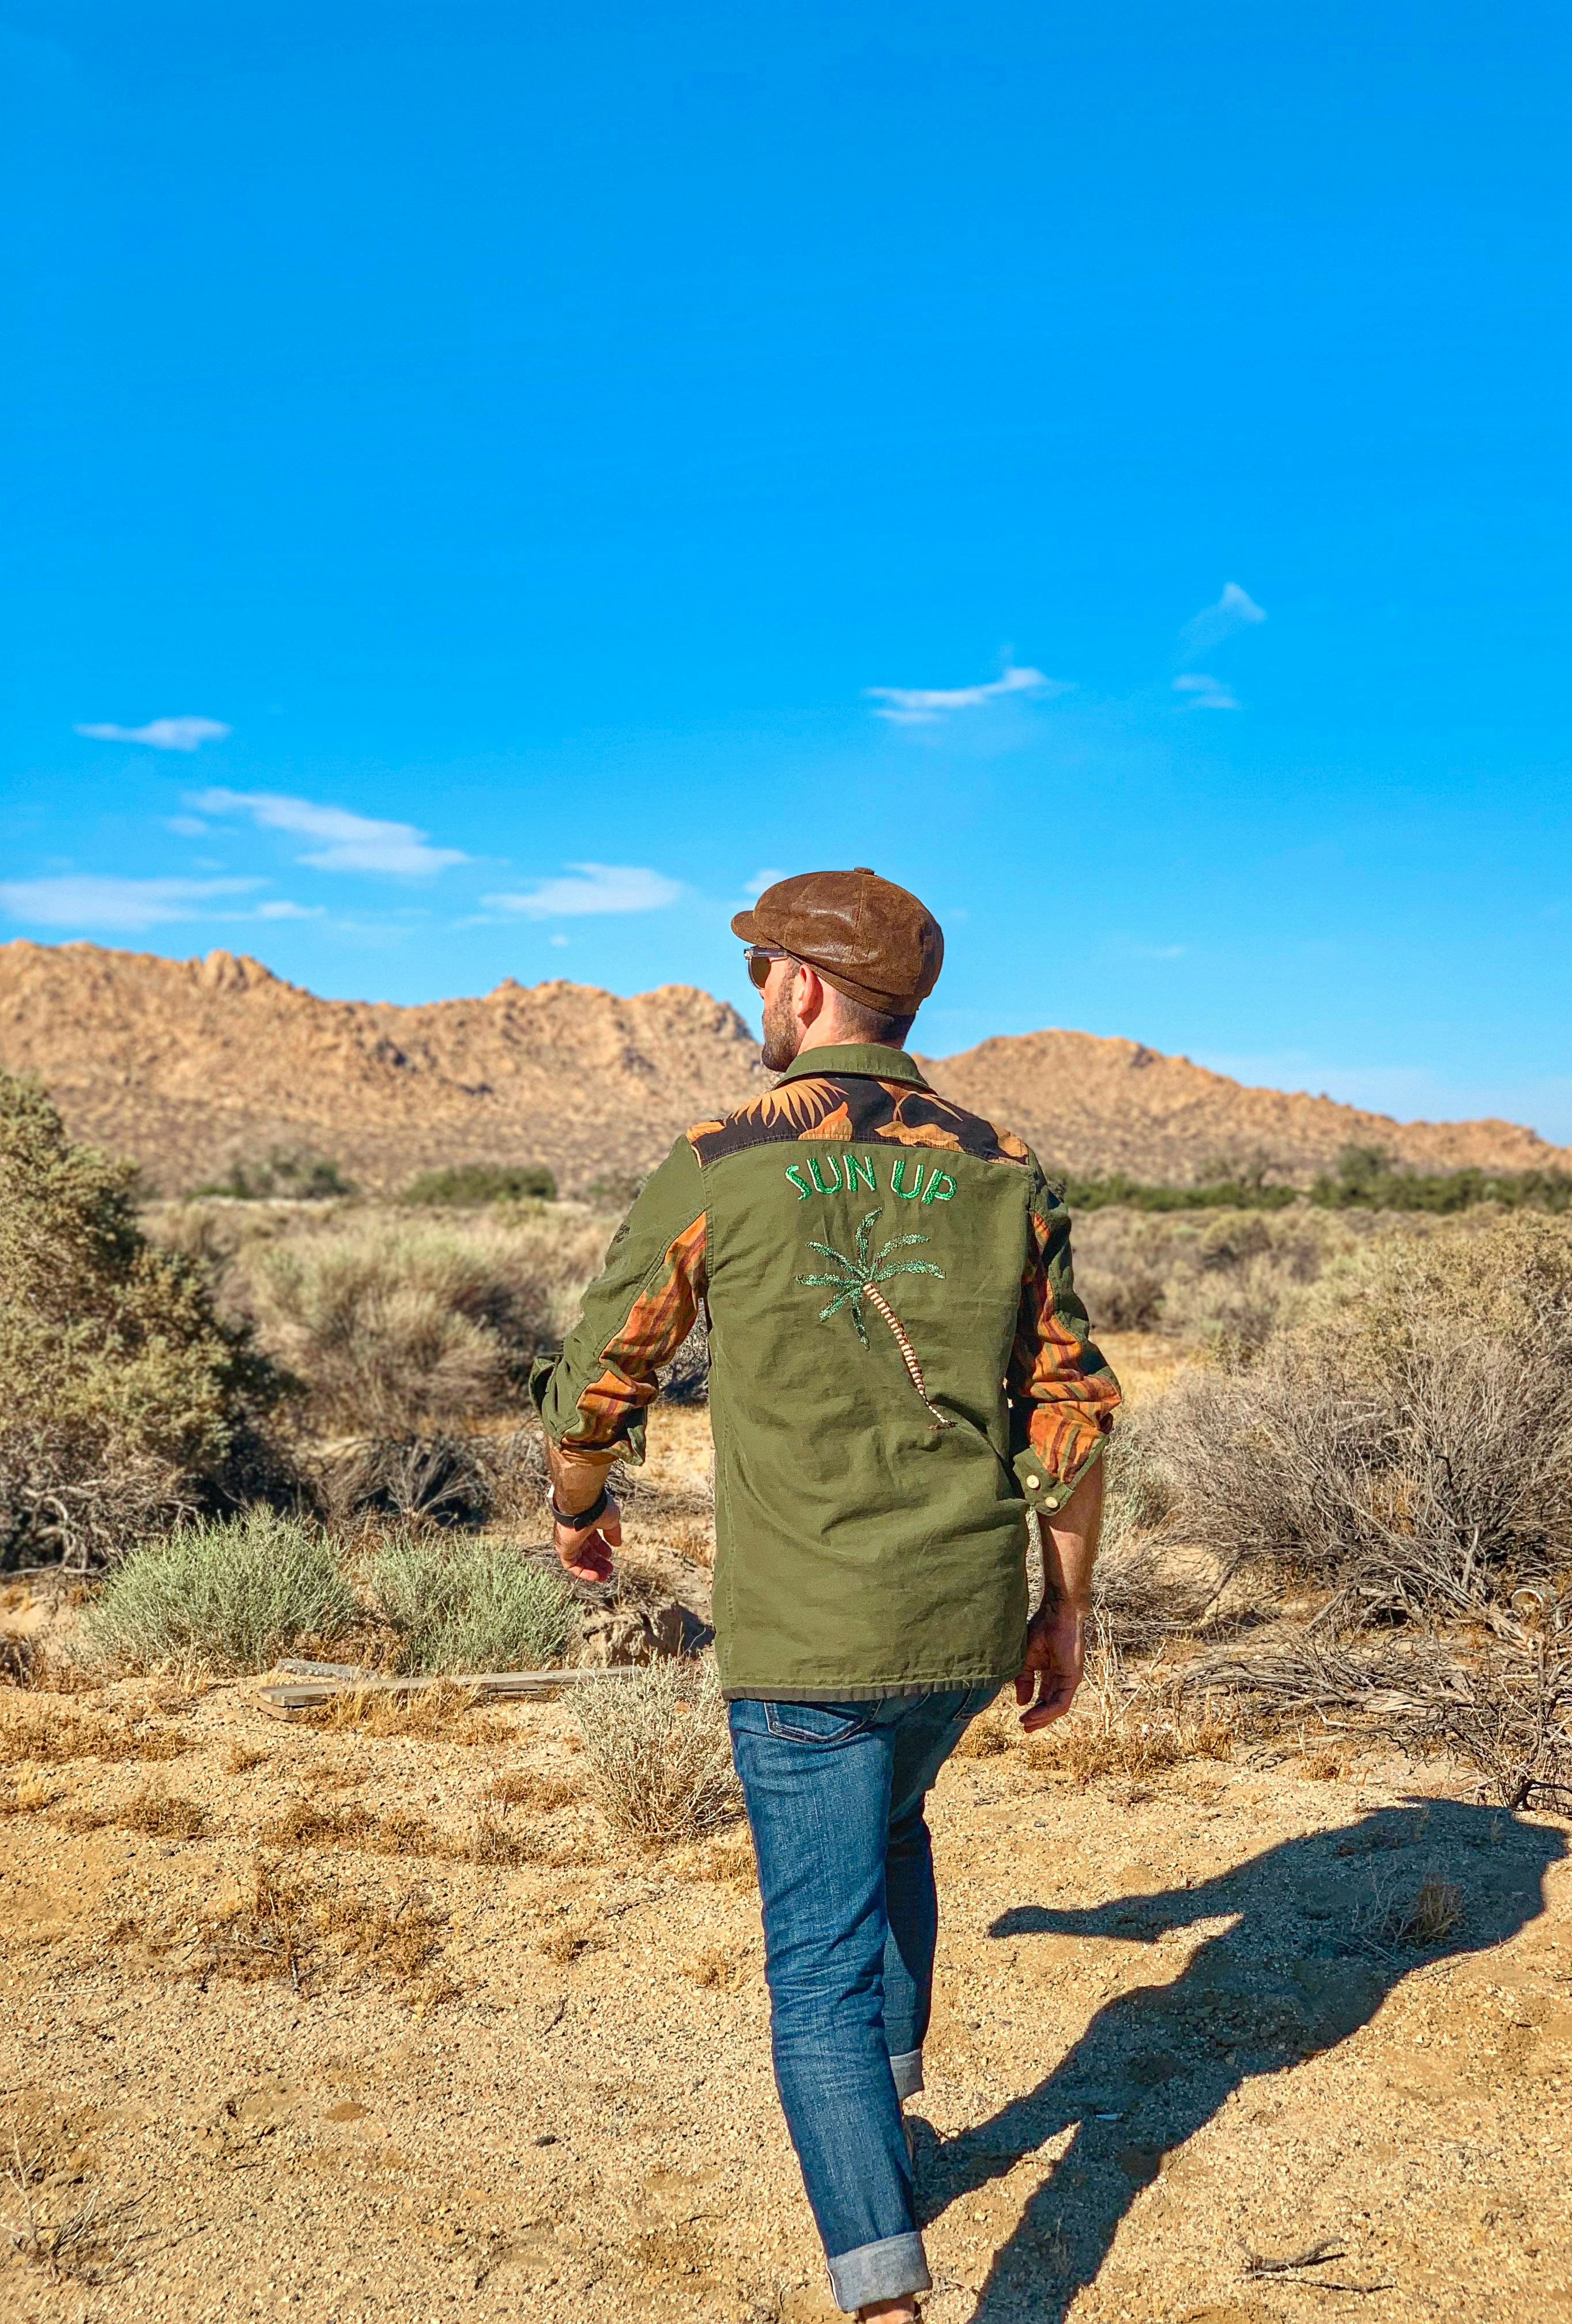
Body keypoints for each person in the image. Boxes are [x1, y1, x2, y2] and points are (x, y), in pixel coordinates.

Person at [533, 867, 1121, 2319]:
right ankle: (896, 2119)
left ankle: (885, 2297)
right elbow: (1074, 1411)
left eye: (759, 978)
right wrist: (1066, 1609)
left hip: (807, 1639)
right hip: (959, 1622)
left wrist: (582, 1503)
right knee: (902, 1821)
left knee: (816, 1981)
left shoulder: (726, 1158)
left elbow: (602, 1366)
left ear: (803, 988)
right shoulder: (1005, 1163)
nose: (755, 1002)